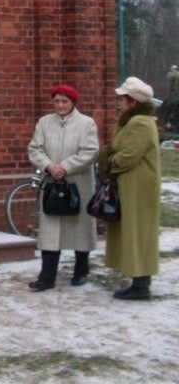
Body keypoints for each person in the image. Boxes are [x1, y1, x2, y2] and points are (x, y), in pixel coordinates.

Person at [27, 84, 99, 291]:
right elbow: (35, 148)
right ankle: (46, 277)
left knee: (80, 229)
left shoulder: (86, 124)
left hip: (78, 183)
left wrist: (65, 167)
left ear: (73, 103)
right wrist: (49, 166)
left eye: (64, 101)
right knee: (50, 231)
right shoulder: (44, 123)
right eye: (56, 101)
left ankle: (81, 271)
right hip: (52, 182)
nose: (60, 105)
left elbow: (90, 152)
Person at [100, 76, 161, 300]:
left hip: (139, 186)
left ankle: (141, 284)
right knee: (134, 231)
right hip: (132, 185)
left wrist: (109, 161)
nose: (119, 103)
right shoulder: (133, 121)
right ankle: (138, 281)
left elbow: (128, 156)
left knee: (139, 232)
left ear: (133, 101)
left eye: (123, 99)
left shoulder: (140, 123)